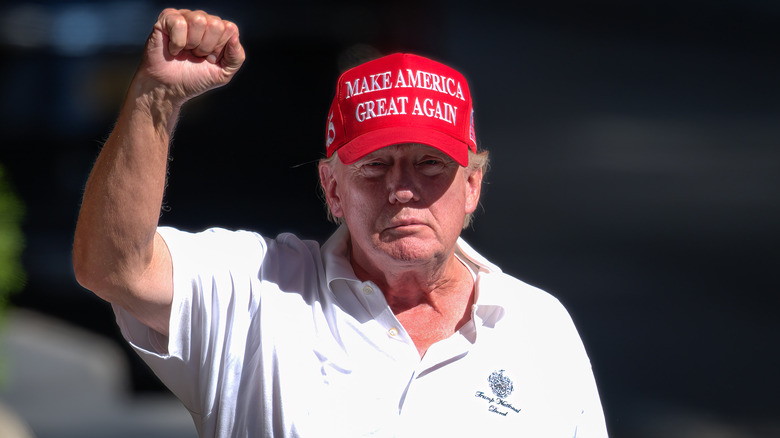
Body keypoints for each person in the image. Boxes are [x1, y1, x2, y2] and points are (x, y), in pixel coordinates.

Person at [73, 8, 608, 438]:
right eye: (376, 166)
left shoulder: (538, 326)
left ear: (471, 187)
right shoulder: (259, 293)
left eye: (430, 164)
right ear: (332, 188)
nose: (403, 190)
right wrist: (156, 97)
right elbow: (112, 266)